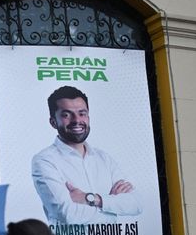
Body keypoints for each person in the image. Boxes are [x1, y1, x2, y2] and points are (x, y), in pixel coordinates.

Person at [32, 85, 142, 225]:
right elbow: (68, 214)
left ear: (88, 117)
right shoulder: (44, 161)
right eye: (66, 115)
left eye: (82, 113)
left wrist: (92, 199)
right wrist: (112, 203)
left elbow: (136, 204)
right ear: (53, 122)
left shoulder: (104, 159)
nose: (77, 120)